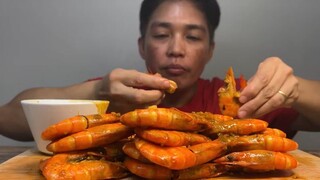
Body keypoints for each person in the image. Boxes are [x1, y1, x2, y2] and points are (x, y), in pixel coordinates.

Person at [1, 0, 320, 141]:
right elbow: (9, 118)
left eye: (193, 36)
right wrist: (96, 93)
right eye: (162, 34)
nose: (176, 49)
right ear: (142, 45)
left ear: (210, 50)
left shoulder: (240, 98)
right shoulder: (113, 95)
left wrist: (294, 87)